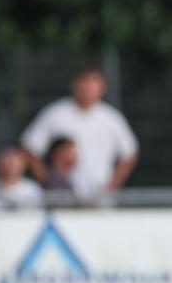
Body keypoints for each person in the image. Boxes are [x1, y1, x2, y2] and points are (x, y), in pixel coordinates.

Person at [20, 67, 138, 205]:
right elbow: (29, 148)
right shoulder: (56, 114)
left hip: (100, 199)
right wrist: (50, 181)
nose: (88, 89)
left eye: (93, 85)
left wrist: (111, 187)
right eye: (84, 84)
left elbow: (130, 153)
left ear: (102, 88)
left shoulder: (111, 118)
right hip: (63, 200)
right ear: (74, 85)